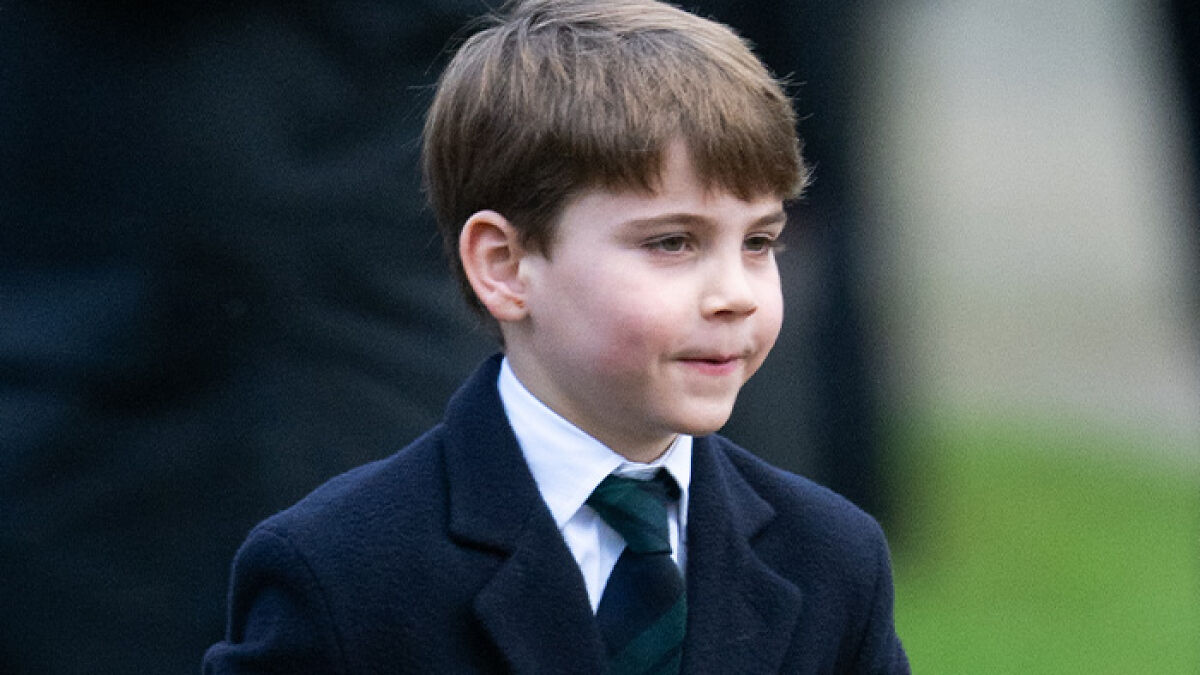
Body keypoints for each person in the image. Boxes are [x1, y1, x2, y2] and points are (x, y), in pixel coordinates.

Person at [203, 0, 909, 672]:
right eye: (671, 242)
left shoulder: (832, 555)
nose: (735, 294)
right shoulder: (341, 569)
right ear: (504, 266)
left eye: (758, 242)